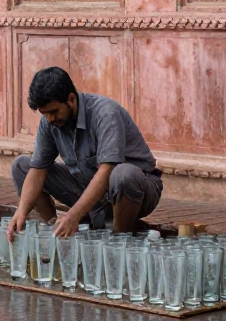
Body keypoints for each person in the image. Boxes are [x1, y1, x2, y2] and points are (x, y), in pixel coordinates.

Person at [8, 66, 162, 239]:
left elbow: (106, 171)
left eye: (54, 112)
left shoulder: (105, 114)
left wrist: (73, 215)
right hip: (87, 188)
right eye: (45, 114)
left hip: (136, 189)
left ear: (71, 100)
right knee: (22, 166)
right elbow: (37, 171)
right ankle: (55, 232)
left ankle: (118, 241)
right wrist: (21, 212)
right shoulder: (50, 123)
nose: (50, 119)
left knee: (123, 174)